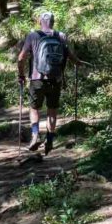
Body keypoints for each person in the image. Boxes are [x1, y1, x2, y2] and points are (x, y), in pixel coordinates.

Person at [17, 12, 83, 154]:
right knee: (52, 110)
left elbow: (21, 58)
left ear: (40, 21)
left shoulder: (33, 36)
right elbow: (70, 56)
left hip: (37, 79)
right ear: (53, 22)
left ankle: (35, 134)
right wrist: (78, 62)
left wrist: (21, 75)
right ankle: (50, 139)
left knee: (34, 108)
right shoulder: (61, 36)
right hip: (56, 79)